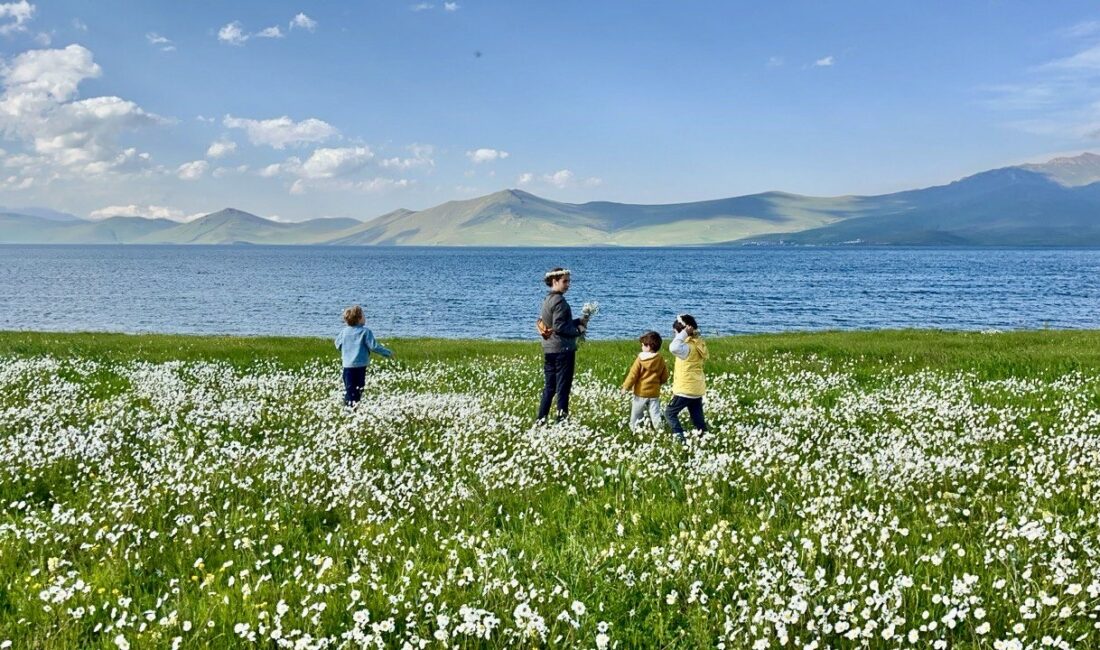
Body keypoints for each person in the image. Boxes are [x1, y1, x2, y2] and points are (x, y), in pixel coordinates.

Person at [536, 267, 588, 422]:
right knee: (563, 387)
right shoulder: (559, 301)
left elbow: (554, 323)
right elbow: (559, 327)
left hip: (549, 348)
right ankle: (561, 421)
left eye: (568, 281)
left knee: (549, 387)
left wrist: (578, 321)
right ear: (554, 281)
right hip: (562, 349)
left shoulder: (547, 300)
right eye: (565, 281)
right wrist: (579, 330)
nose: (568, 285)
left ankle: (541, 419)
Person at [335, 305, 393, 406]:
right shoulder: (365, 332)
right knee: (359, 388)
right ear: (359, 318)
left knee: (350, 388)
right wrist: (387, 353)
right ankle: (352, 408)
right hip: (360, 366)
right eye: (363, 315)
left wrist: (346, 350)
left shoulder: (344, 332)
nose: (365, 318)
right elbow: (374, 346)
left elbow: (337, 344)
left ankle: (348, 407)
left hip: (347, 366)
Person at [665, 313, 708, 441]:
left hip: (685, 388)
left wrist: (682, 333)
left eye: (675, 334)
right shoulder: (698, 344)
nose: (675, 337)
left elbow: (673, 347)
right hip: (697, 388)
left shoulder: (685, 347)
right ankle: (704, 437)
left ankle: (680, 437)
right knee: (697, 417)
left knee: (669, 413)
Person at [621, 330, 670, 430]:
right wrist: (660, 382)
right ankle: (659, 429)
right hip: (654, 392)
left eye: (643, 345)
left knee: (636, 413)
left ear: (648, 346)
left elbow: (633, 375)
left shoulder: (640, 359)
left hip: (641, 392)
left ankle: (634, 428)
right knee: (655, 413)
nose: (641, 347)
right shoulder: (660, 359)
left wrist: (626, 387)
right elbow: (665, 375)